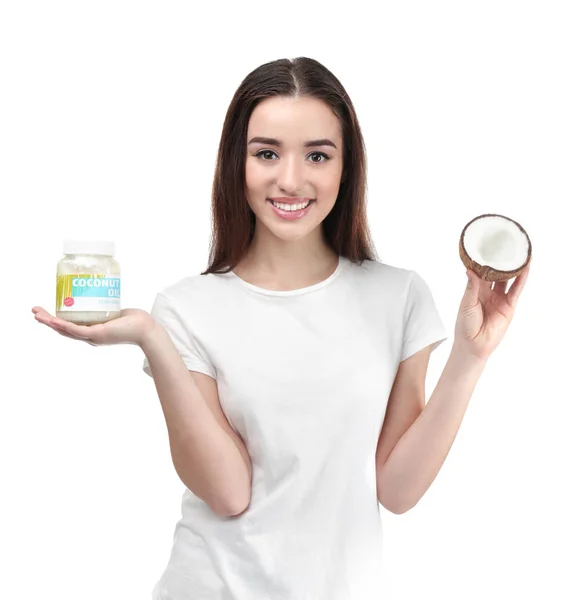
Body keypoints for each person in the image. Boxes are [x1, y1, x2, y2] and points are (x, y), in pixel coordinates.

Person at [32, 56, 531, 600]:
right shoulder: (186, 307)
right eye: (266, 153)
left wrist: (470, 357)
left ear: (346, 167)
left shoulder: (398, 296)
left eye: (317, 155)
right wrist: (153, 337)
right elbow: (227, 493)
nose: (290, 179)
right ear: (236, 164)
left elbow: (398, 489)